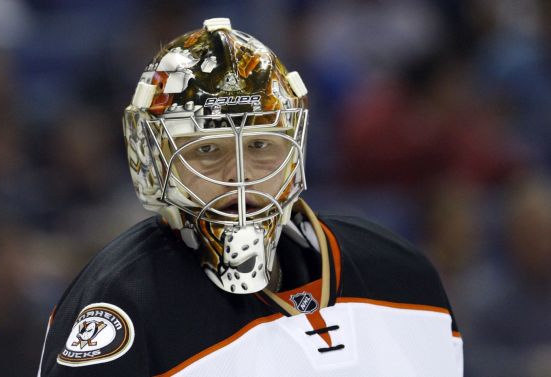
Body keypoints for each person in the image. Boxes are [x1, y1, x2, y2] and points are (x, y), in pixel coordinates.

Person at [37, 18, 463, 376]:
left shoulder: (403, 276)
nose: (239, 176)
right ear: (155, 158)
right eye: (206, 149)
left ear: (294, 149)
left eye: (260, 146)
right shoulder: (123, 303)